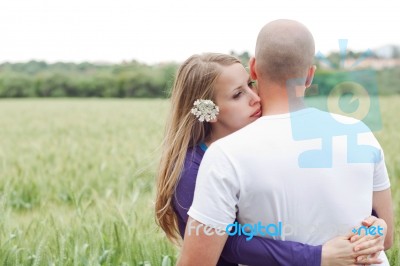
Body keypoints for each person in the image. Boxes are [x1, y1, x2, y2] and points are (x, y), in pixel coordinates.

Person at [178, 20, 394, 266]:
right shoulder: (361, 133)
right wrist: (369, 233)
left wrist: (375, 230)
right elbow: (386, 238)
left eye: (248, 86)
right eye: (238, 93)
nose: (251, 98)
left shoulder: (224, 156)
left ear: (255, 69)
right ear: (310, 75)